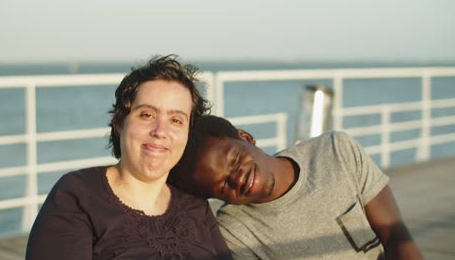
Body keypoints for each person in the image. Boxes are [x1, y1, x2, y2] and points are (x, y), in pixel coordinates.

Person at [26, 55, 232, 260]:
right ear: (120, 122)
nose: (160, 131)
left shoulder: (195, 205)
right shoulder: (78, 196)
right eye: (147, 115)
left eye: (176, 120)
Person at [169, 114, 423, 259]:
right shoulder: (235, 233)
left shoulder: (336, 150)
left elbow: (396, 237)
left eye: (234, 159)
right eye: (223, 186)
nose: (236, 178)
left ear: (245, 138)